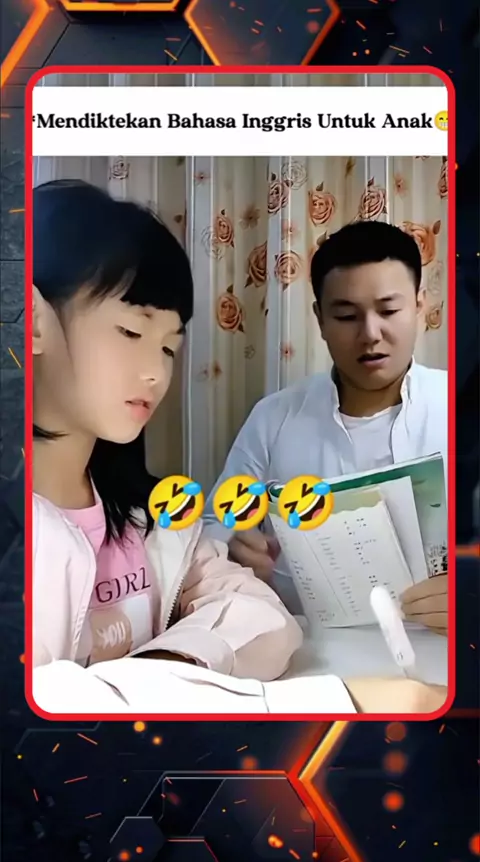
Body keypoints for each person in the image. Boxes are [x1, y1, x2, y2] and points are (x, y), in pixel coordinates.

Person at [32, 182, 446, 716]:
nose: (156, 373)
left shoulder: (153, 519)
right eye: (132, 332)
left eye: (169, 347)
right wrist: (242, 549)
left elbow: (250, 610)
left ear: (421, 306)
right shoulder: (275, 418)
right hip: (323, 669)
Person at [203, 221, 448, 635]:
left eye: (389, 311)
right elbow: (214, 528)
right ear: (319, 318)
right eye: (347, 316)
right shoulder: (274, 418)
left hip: (444, 652)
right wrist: (232, 551)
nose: (370, 334)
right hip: (305, 651)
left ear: (420, 306)